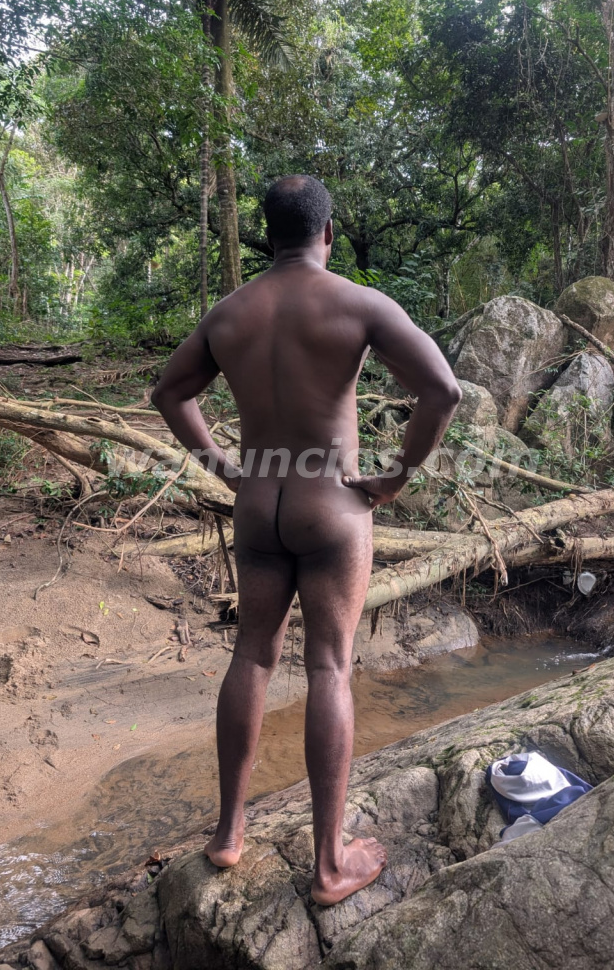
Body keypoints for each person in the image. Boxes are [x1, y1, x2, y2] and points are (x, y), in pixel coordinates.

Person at [152, 175, 461, 905]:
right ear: (327, 233)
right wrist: (396, 476)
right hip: (333, 505)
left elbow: (169, 393)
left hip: (258, 505)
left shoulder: (230, 312)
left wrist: (221, 467)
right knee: (329, 667)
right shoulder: (359, 303)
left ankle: (228, 835)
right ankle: (329, 865)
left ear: (268, 235)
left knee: (251, 657)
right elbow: (442, 390)